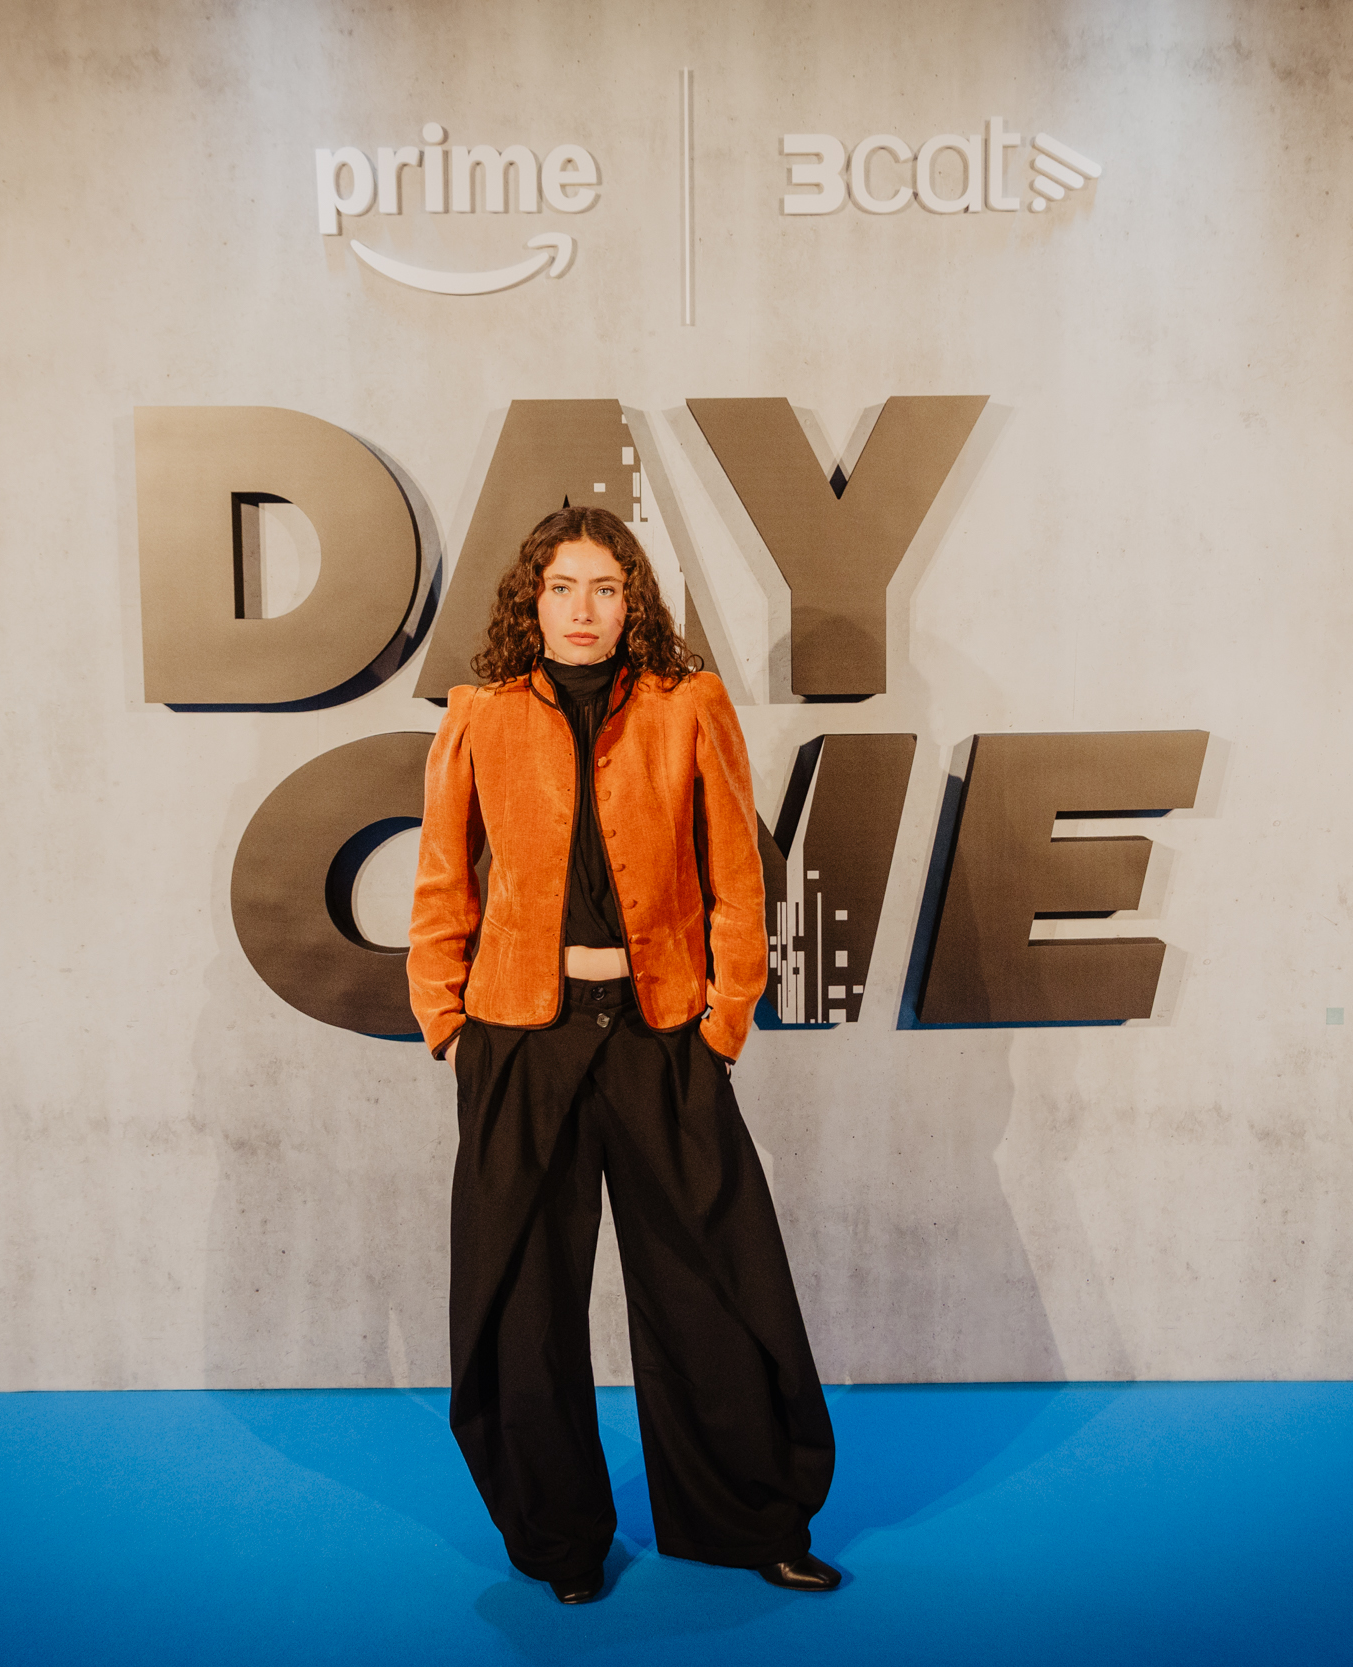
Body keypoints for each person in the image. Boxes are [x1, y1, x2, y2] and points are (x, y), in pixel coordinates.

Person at [408, 505, 840, 1605]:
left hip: (663, 1035)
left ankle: (749, 1519)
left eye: (605, 587)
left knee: (714, 1283)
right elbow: (443, 882)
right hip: (518, 1042)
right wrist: (448, 1025)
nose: (583, 609)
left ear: (631, 599)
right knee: (524, 1304)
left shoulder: (688, 704)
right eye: (562, 587)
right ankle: (560, 1541)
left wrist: (725, 1016)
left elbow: (737, 874)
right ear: (532, 598)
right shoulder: (478, 715)